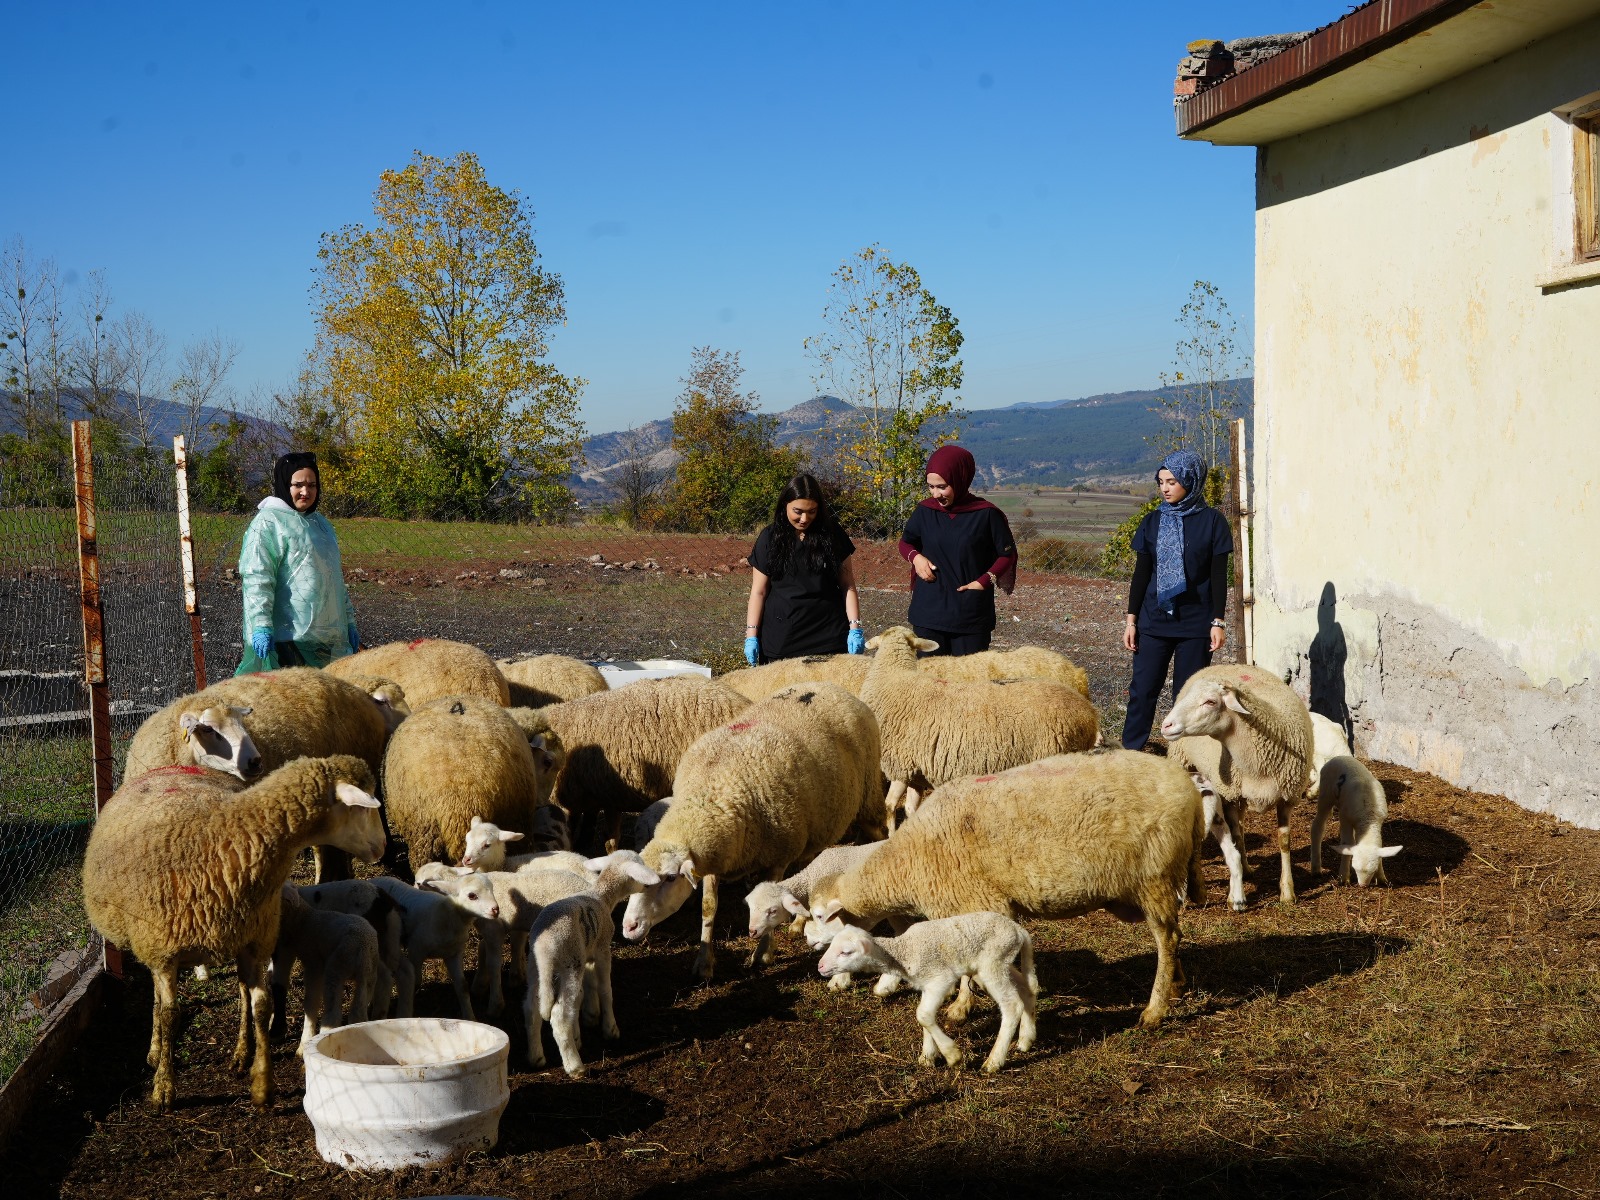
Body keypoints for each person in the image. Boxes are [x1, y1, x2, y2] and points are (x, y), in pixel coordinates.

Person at [1121, 448, 1233, 750]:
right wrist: (1131, 619)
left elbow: (1219, 576)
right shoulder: (1153, 522)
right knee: (1142, 690)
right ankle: (1131, 751)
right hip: (1153, 621)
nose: (1165, 488)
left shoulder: (1213, 522)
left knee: (1187, 697)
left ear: (1191, 480)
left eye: (1172, 481)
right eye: (1161, 482)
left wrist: (1218, 621)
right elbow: (1141, 573)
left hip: (1196, 625)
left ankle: (1184, 757)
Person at [235, 451, 359, 675]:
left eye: (312, 485)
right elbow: (258, 577)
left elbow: (334, 578)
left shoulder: (320, 524)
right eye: (298, 485)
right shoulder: (267, 523)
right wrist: (261, 624)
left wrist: (348, 621)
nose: (306, 491)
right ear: (285, 484)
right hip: (287, 637)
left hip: (327, 635)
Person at [896, 444, 1017, 657]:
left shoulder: (986, 514)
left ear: (961, 478)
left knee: (969, 684)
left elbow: (1007, 554)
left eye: (942, 486)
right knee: (931, 681)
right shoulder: (925, 511)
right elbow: (906, 543)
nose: (936, 494)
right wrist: (916, 559)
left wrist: (984, 581)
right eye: (931, 487)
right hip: (928, 613)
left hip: (970, 615)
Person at [743, 474, 863, 665]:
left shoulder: (831, 535)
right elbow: (759, 591)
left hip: (828, 637)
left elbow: (848, 585)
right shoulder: (769, 538)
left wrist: (855, 627)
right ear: (785, 505)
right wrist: (751, 635)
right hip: (782, 638)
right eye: (797, 511)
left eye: (812, 511)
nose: (804, 518)